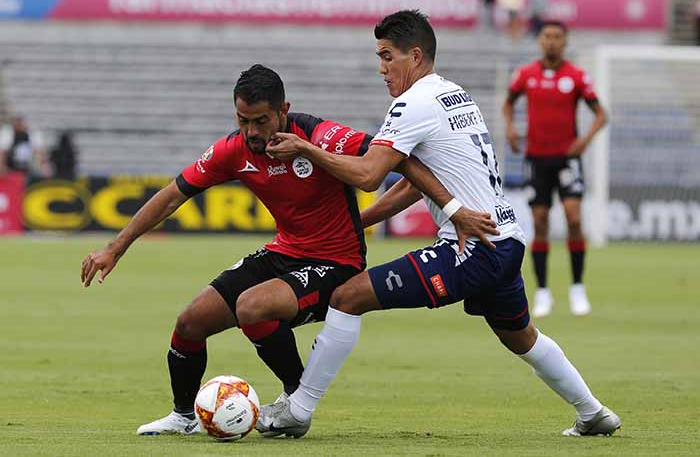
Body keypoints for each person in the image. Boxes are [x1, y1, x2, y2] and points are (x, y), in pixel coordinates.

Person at [80, 64, 497, 436]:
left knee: (252, 307)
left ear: (283, 110)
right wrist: (116, 248)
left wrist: (453, 209)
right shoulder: (234, 150)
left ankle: (297, 402)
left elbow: (400, 162)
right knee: (190, 323)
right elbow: (172, 196)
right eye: (243, 120)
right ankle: (183, 415)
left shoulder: (318, 135)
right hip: (285, 252)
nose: (252, 132)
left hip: (337, 261)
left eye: (261, 120)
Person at [262, 10, 620, 438]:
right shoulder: (453, 94)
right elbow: (419, 186)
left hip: (470, 246)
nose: (381, 68)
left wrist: (307, 148)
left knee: (347, 296)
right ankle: (594, 412)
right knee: (519, 335)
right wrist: (358, 224)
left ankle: (298, 410)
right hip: (503, 238)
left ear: (414, 56)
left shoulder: (413, 103)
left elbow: (368, 175)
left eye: (387, 57)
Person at [503, 21, 608, 317]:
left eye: (557, 37)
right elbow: (508, 103)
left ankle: (577, 287)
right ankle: (544, 292)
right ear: (540, 41)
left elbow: (601, 114)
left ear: (565, 41)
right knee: (539, 221)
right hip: (537, 159)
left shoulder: (576, 77)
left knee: (574, 219)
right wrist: (510, 128)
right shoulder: (526, 74)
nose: (551, 41)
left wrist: (583, 142)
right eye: (547, 36)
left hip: (567, 159)